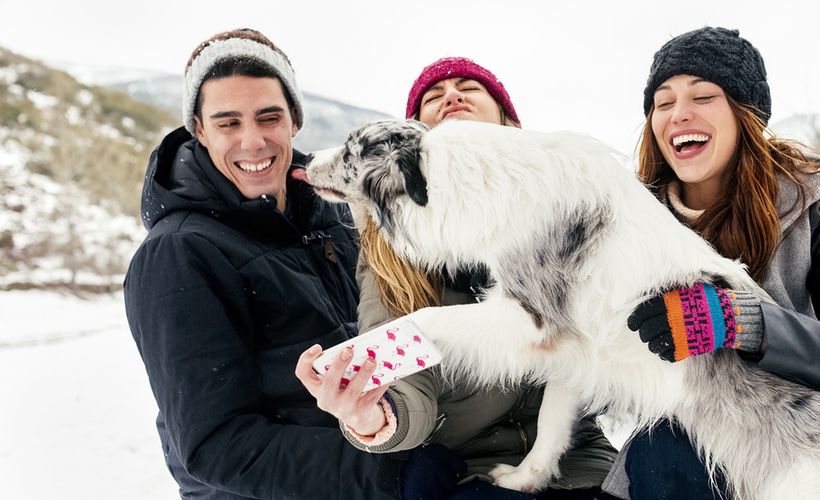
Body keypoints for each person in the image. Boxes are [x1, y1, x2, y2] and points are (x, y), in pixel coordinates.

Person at [604, 27, 820, 500]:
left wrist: (740, 321)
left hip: (816, 435)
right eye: (662, 102)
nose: (680, 114)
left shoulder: (817, 209)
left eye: (703, 95)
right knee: (667, 454)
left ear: (747, 115)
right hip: (685, 448)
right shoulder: (628, 225)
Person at [295, 57, 618, 500]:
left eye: (470, 88)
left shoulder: (568, 215)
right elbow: (404, 381)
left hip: (580, 460)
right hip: (471, 470)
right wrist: (376, 417)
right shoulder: (393, 254)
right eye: (433, 97)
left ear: (508, 125)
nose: (451, 96)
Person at [124, 28, 412, 499]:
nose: (253, 141)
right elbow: (217, 445)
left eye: (268, 117)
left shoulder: (336, 215)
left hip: (383, 450)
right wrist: (393, 475)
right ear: (199, 129)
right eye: (228, 123)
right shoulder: (178, 254)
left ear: (294, 120)